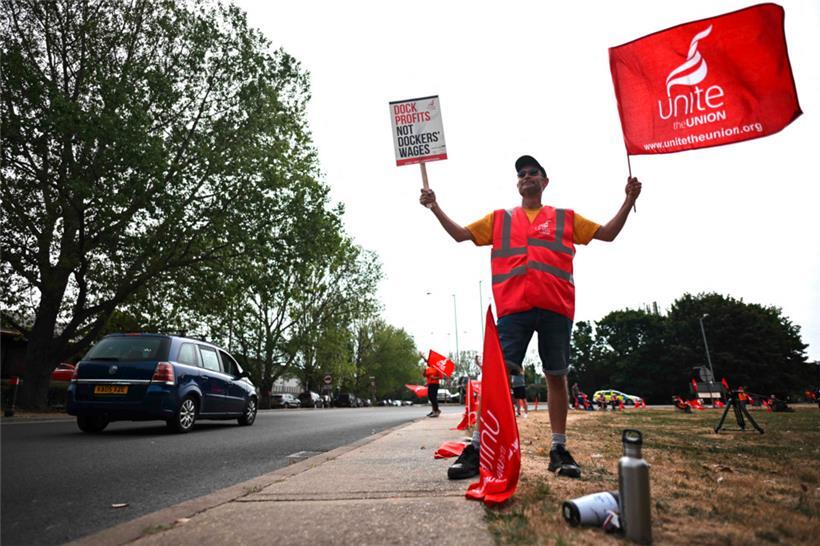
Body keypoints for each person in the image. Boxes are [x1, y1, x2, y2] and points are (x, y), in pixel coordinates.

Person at [420, 154, 641, 479]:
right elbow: (460, 235)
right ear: (518, 183)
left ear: (544, 181)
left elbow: (607, 233)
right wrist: (435, 207)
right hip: (513, 311)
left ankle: (558, 448)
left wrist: (628, 200)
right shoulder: (500, 218)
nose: (526, 176)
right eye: (521, 173)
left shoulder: (565, 217)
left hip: (556, 308)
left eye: (533, 172)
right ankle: (478, 448)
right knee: (497, 377)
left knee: (556, 375)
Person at [421, 352, 443, 418]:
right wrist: (424, 372)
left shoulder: (437, 368)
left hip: (435, 384)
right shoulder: (428, 369)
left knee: (433, 397)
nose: (428, 363)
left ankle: (436, 411)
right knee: (430, 398)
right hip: (430, 384)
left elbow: (441, 377)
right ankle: (434, 410)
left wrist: (435, 378)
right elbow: (425, 375)